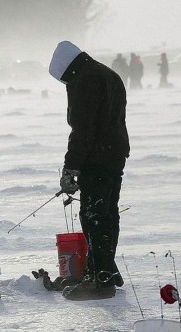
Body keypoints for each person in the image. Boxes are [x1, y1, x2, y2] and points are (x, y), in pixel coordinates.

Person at [49, 41, 130, 301]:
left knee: (94, 217)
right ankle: (105, 270)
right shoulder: (107, 73)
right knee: (107, 213)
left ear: (67, 69)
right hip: (114, 155)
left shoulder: (84, 81)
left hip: (97, 159)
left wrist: (71, 167)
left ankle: (100, 280)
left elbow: (82, 131)